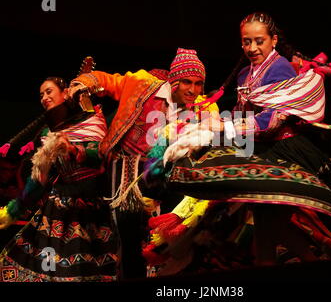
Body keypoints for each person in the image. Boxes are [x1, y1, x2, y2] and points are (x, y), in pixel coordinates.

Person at [142, 12, 331, 274]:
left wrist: (225, 126)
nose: (252, 48)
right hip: (258, 148)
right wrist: (217, 126)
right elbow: (247, 114)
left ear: (273, 40)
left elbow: (274, 118)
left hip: (284, 150)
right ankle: (314, 263)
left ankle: (310, 261)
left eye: (259, 41)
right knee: (267, 223)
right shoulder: (245, 74)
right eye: (246, 42)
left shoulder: (281, 68)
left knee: (268, 223)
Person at [67, 48, 218, 279]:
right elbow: (108, 80)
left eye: (199, 84)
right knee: (129, 239)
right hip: (127, 171)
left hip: (166, 174)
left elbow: (211, 130)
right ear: (174, 80)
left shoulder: (200, 107)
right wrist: (83, 82)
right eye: (187, 82)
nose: (193, 90)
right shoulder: (142, 84)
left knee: (172, 237)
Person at [0, 77, 119, 282]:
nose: (44, 98)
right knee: (49, 271)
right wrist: (14, 209)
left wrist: (73, 149)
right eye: (41, 95)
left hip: (91, 211)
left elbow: (100, 156)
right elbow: (39, 179)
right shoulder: (49, 133)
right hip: (57, 212)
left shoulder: (92, 121)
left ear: (65, 93)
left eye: (49, 92)